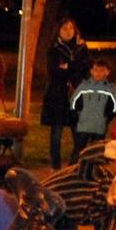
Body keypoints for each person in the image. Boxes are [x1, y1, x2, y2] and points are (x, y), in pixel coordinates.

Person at [40, 19, 91, 169]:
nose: (68, 31)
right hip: (57, 94)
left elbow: (86, 68)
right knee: (57, 130)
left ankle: (75, 164)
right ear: (58, 30)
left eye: (71, 28)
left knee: (79, 132)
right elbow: (54, 70)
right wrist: (73, 68)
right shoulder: (54, 48)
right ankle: (55, 165)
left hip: (77, 93)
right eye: (64, 28)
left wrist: (68, 66)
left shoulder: (81, 47)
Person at [68, 59, 116, 151]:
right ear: (91, 71)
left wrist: (106, 118)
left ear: (107, 72)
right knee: (79, 151)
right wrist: (77, 117)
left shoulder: (110, 89)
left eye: (101, 71)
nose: (98, 73)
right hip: (83, 126)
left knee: (96, 152)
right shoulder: (83, 86)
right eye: (96, 70)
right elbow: (73, 103)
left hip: (99, 126)